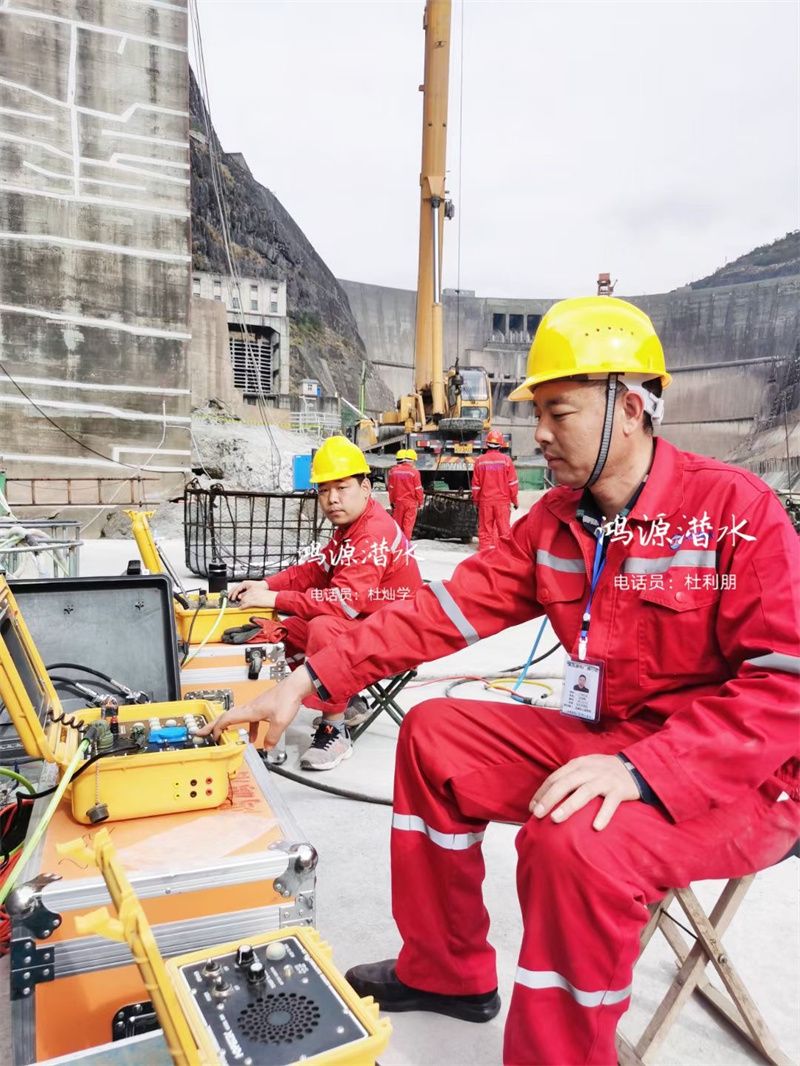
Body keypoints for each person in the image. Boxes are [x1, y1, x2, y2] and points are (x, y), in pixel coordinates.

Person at [199, 297, 800, 1065]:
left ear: (630, 407)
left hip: (741, 778)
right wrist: (308, 678)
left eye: (558, 411)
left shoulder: (733, 513)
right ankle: (446, 969)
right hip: (612, 738)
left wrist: (643, 771)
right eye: (536, 412)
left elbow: (783, 689)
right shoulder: (557, 522)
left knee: (573, 840)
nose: (538, 432)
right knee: (434, 735)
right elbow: (441, 611)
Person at [227, 435, 422, 771]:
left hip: (397, 639)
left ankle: (335, 729)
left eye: (342, 488)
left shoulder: (371, 533)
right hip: (370, 623)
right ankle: (348, 698)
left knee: (324, 627)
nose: (332, 499)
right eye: (323, 490)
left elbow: (344, 604)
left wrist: (275, 598)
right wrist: (266, 584)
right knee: (282, 631)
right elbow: (316, 571)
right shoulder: (350, 528)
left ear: (365, 488)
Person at [471, 429, 519, 550]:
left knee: (485, 531)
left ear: (487, 444)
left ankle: (485, 556)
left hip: (485, 502)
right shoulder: (506, 461)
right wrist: (514, 501)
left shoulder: (480, 461)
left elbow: (476, 486)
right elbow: (512, 483)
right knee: (504, 531)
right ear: (500, 445)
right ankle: (504, 556)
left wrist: (476, 502)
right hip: (502, 502)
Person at [387, 449, 424, 539]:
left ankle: (398, 544)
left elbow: (391, 488)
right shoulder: (414, 472)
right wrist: (421, 502)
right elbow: (418, 489)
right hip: (411, 503)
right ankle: (406, 544)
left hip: (398, 503)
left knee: (397, 525)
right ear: (411, 461)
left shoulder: (393, 471)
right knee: (408, 526)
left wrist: (392, 502)